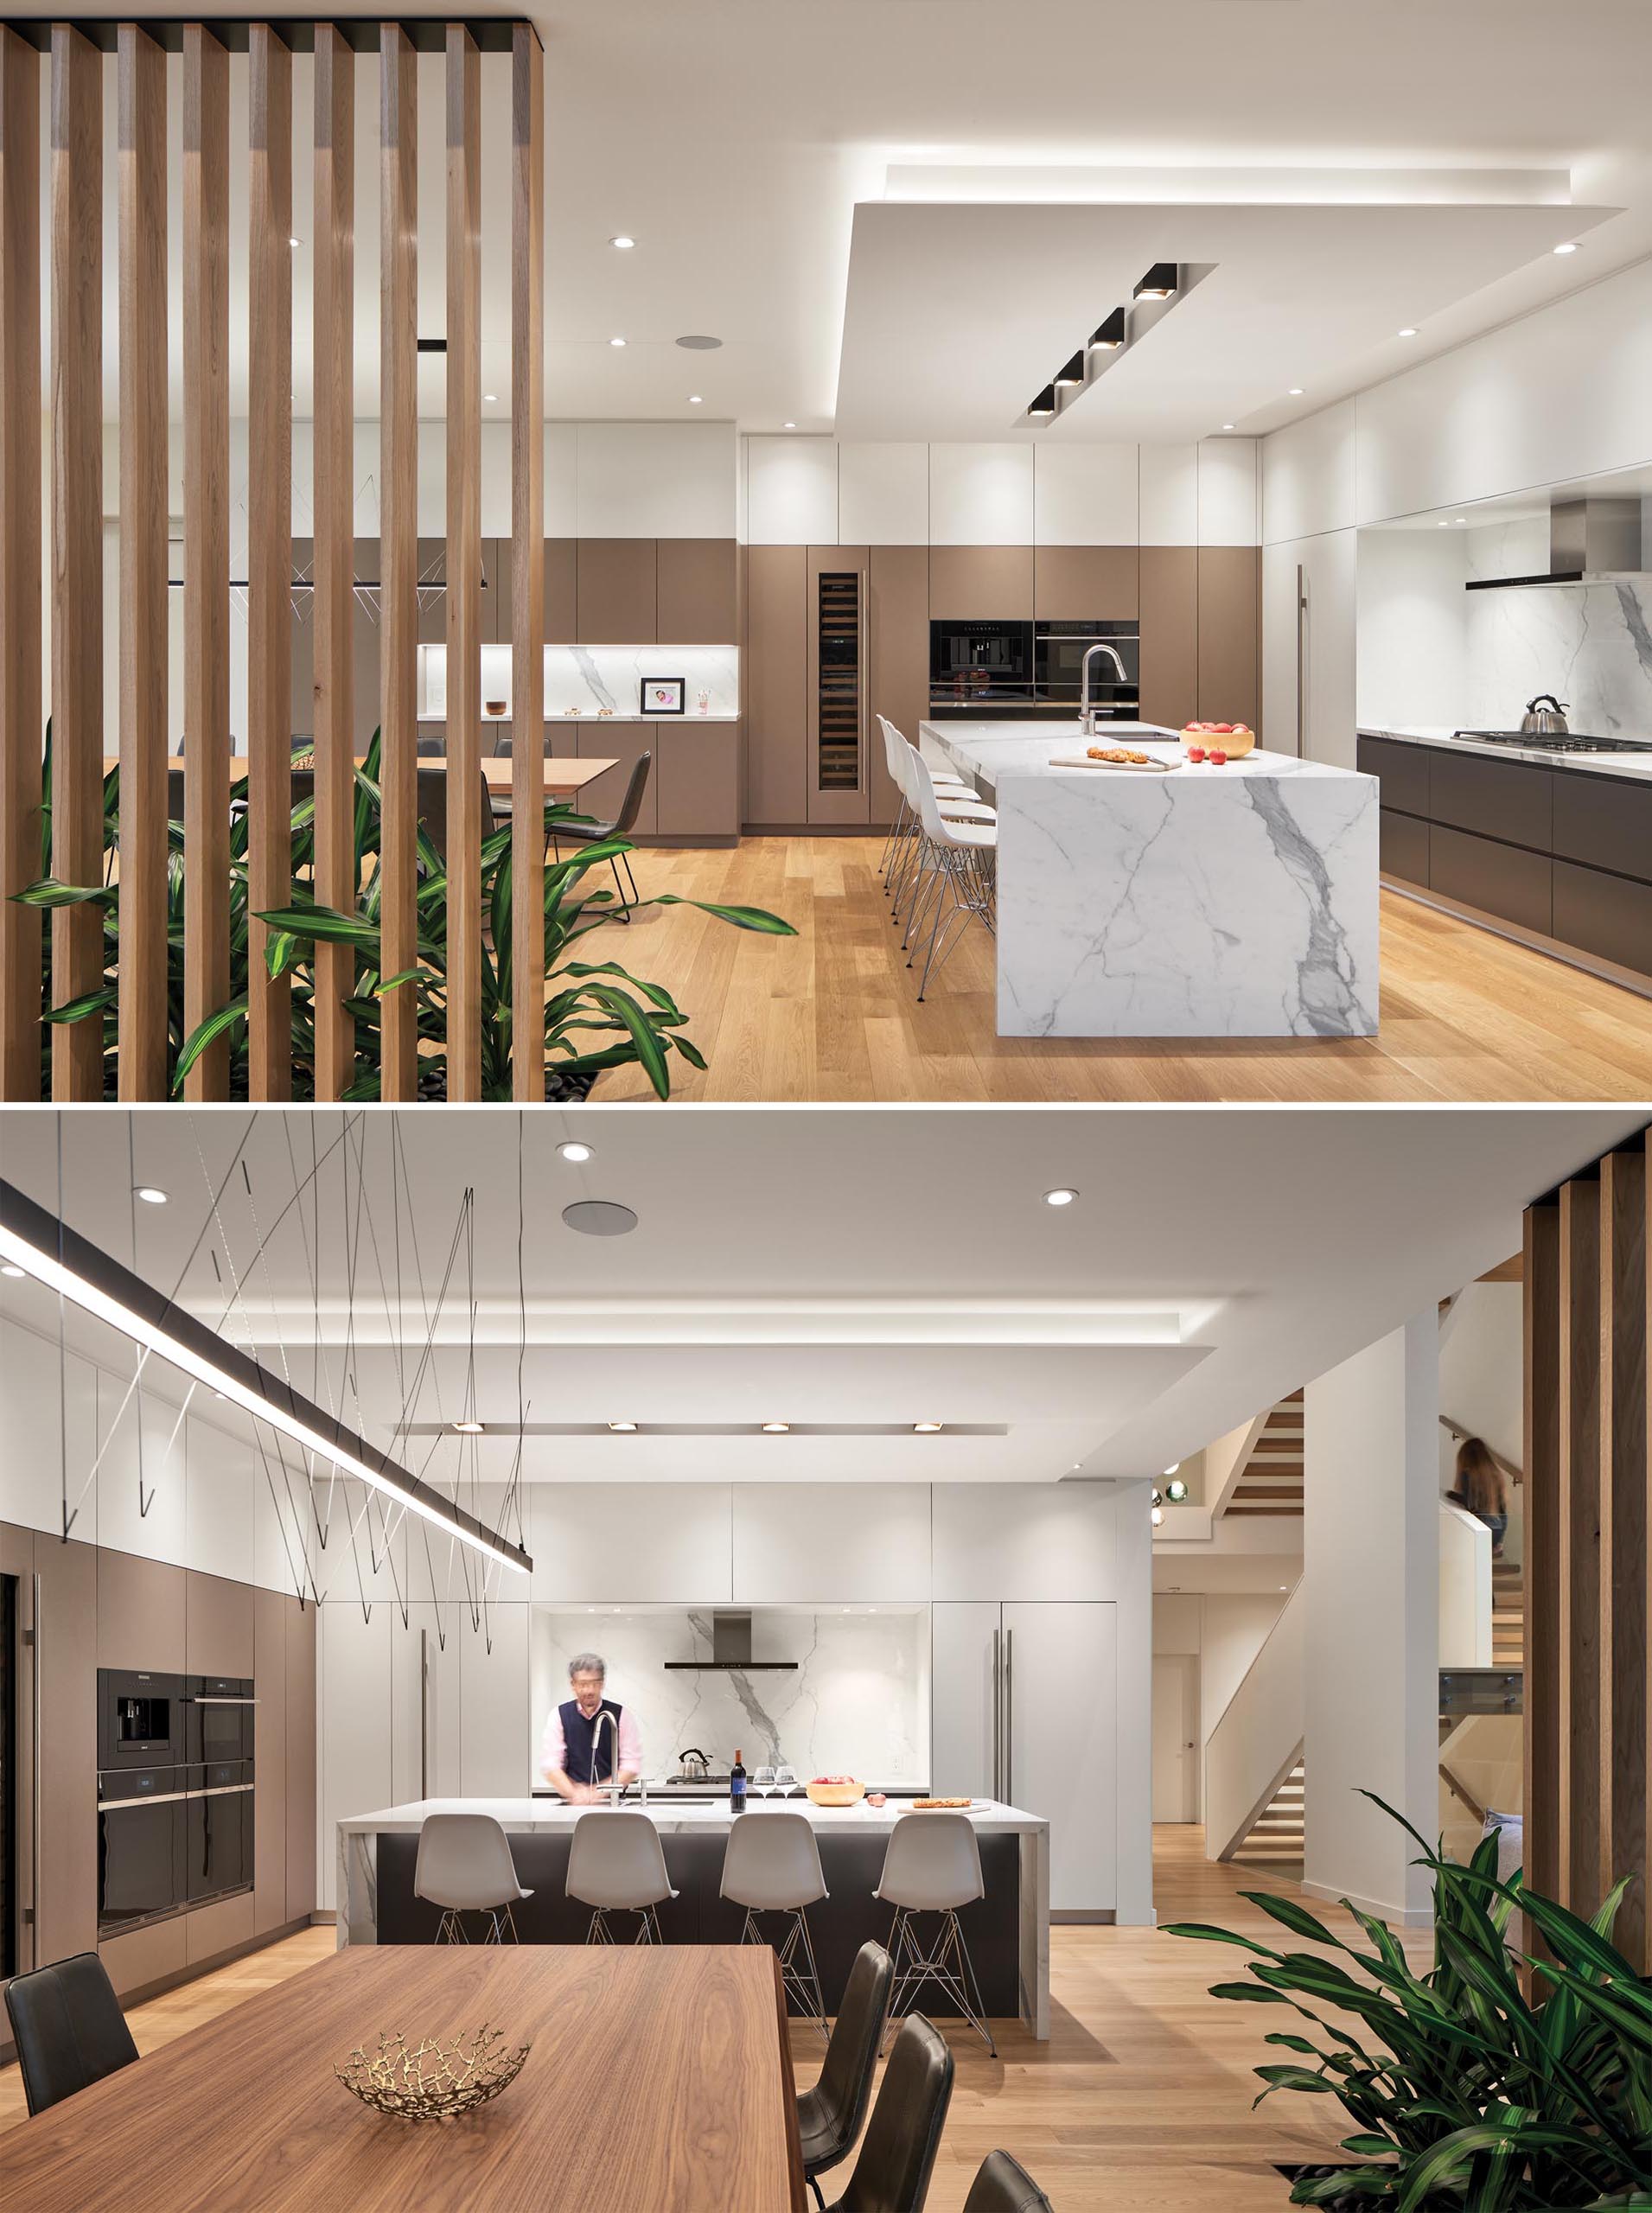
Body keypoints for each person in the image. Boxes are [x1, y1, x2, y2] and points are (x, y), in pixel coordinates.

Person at [540, 1650, 642, 1805]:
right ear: (573, 1685)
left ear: (602, 1683)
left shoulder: (621, 1715)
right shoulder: (559, 1715)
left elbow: (631, 1765)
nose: (589, 1690)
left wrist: (597, 1793)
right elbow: (551, 1765)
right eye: (583, 1684)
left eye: (595, 1684)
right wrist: (575, 1793)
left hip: (613, 1805)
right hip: (573, 1804)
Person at [1446, 1432, 1520, 1558]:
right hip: (1496, 1532)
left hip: (1479, 1530)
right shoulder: (1496, 1476)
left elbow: (1469, 1503)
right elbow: (1503, 1513)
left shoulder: (1468, 1475)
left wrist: (1450, 1495)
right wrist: (1500, 1540)